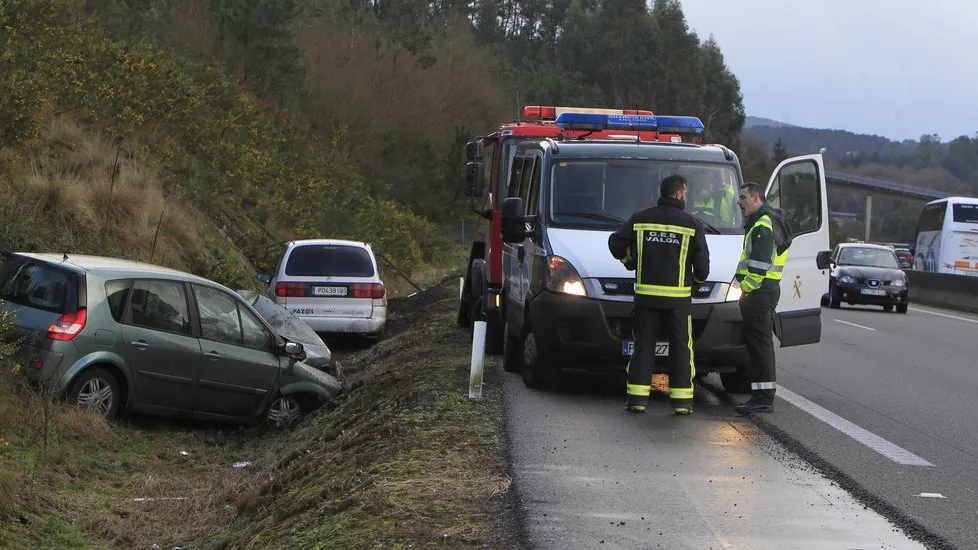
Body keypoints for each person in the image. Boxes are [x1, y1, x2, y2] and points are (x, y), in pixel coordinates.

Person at [608, 174, 710, 415]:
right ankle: (682, 403)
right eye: (684, 192)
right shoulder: (692, 224)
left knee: (643, 346)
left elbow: (615, 244)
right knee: (681, 349)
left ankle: (637, 400)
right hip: (678, 299)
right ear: (678, 193)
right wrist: (693, 283)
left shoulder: (640, 218)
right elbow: (703, 270)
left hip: (646, 298)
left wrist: (629, 261)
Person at [733, 182, 793, 415]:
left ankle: (763, 397)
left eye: (743, 197)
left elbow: (758, 265)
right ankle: (761, 395)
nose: (739, 202)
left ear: (757, 199)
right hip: (764, 292)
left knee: (760, 347)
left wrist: (745, 288)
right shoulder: (764, 222)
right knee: (760, 346)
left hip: (758, 293)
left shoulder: (762, 225)